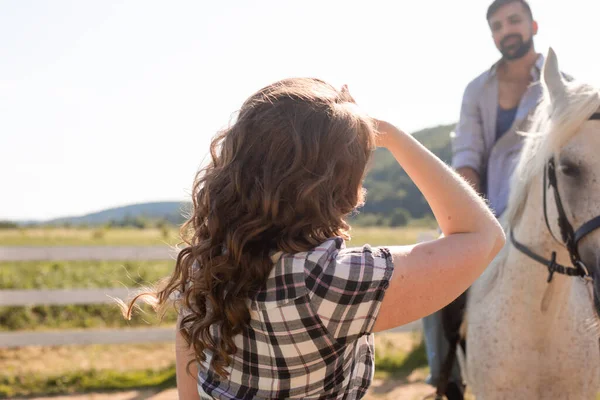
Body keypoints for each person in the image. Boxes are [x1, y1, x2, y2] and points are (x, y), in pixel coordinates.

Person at [123, 78, 505, 399]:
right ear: (336, 184)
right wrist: (395, 136)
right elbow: (483, 236)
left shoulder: (208, 261)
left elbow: (191, 385)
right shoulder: (329, 282)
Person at [421, 1, 557, 399]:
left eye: (514, 20)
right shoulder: (476, 89)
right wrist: (471, 216)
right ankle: (445, 375)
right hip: (489, 210)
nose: (506, 30)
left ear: (532, 24)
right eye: (497, 25)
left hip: (545, 215)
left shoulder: (559, 84)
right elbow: (466, 156)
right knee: (431, 260)